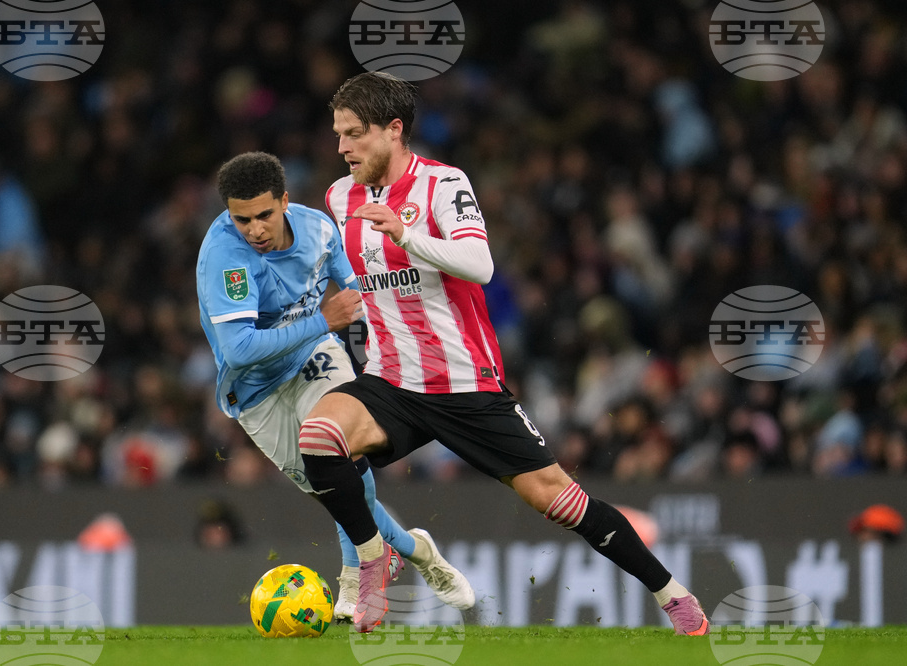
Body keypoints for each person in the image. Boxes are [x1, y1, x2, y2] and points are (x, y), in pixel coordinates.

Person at [299, 72, 710, 635]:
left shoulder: (443, 185)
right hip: (392, 381)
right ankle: (376, 558)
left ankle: (671, 593)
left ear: (394, 131)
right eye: (338, 134)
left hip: (467, 384)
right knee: (319, 438)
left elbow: (480, 265)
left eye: (354, 134)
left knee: (561, 501)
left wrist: (406, 235)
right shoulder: (339, 195)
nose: (341, 147)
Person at [196, 151, 475, 621]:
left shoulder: (320, 231)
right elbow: (240, 350)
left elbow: (359, 291)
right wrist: (324, 318)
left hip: (313, 359)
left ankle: (357, 574)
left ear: (285, 201)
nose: (255, 229)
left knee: (335, 452)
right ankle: (414, 548)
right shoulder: (224, 256)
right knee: (334, 490)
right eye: (242, 219)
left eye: (265, 214)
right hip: (254, 390)